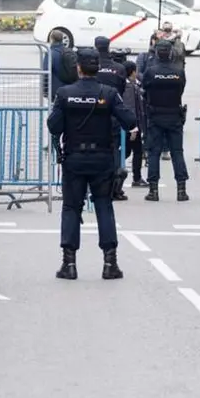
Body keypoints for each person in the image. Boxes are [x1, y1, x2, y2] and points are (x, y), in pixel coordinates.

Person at [48, 48, 138, 280]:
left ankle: (69, 264)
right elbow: (129, 120)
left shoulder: (65, 93)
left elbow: (53, 126)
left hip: (75, 159)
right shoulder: (107, 92)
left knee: (70, 208)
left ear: (78, 68)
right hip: (102, 159)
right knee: (104, 206)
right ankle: (110, 263)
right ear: (97, 68)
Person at [140, 39, 190, 202]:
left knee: (154, 152)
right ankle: (181, 189)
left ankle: (153, 190)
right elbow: (181, 89)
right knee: (177, 152)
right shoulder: (179, 72)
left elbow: (145, 89)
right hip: (174, 114)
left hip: (155, 114)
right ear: (170, 53)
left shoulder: (150, 71)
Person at [92, 37, 129, 198]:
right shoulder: (119, 68)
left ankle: (94, 184)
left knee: (92, 148)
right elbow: (121, 90)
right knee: (113, 150)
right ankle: (113, 186)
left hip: (92, 114)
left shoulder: (90, 66)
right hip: (112, 113)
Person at [123, 61, 147, 189]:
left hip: (132, 125)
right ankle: (136, 178)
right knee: (132, 151)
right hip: (132, 126)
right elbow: (131, 107)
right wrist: (133, 127)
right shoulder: (128, 87)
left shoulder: (132, 85)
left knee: (132, 151)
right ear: (132, 72)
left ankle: (136, 177)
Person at [42, 30, 78, 100]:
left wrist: (45, 90)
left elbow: (45, 72)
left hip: (55, 90)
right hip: (71, 89)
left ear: (51, 39)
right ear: (62, 39)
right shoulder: (70, 52)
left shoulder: (50, 53)